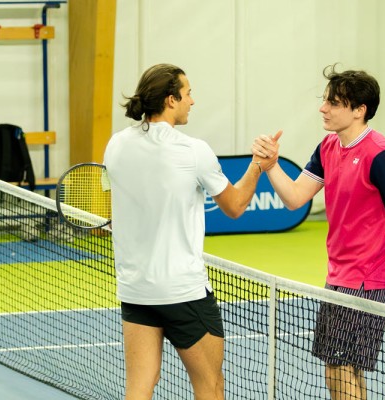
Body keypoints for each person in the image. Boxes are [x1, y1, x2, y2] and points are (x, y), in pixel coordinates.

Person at [252, 64, 385, 399]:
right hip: (338, 276)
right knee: (343, 368)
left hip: (369, 280)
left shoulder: (381, 156)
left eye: (333, 103)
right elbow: (295, 198)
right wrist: (272, 165)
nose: (323, 108)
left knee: (339, 368)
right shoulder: (328, 147)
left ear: (359, 111)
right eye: (325, 101)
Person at [103, 63, 280, 400]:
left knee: (139, 388)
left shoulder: (116, 145)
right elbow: (235, 206)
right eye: (188, 94)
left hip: (136, 289)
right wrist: (258, 165)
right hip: (183, 292)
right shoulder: (193, 150)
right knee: (210, 385)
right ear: (171, 99)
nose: (192, 101)